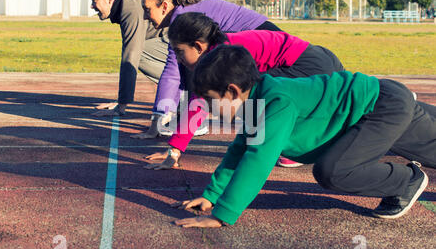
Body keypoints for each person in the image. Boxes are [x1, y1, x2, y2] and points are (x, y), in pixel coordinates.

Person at [173, 45, 435, 228]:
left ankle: (407, 181)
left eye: (210, 100)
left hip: (381, 106)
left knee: (334, 171)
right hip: (376, 105)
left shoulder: (275, 102)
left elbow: (258, 160)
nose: (207, 108)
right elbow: (240, 150)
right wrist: (212, 195)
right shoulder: (257, 100)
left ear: (231, 91)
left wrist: (223, 214)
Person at [144, 12, 344, 170]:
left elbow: (200, 103)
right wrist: (175, 149)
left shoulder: (221, 56)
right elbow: (200, 99)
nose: (178, 59)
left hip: (310, 65)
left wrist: (175, 151)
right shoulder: (218, 50)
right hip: (320, 58)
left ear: (198, 46)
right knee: (252, 97)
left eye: (179, 52)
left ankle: (296, 147)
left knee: (255, 96)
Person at [132, 0, 282, 139]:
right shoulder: (184, 13)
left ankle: (194, 123)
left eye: (147, 9)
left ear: (164, 6)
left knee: (197, 66)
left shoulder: (182, 20)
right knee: (191, 64)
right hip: (263, 39)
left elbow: (172, 73)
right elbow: (175, 74)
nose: (145, 17)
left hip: (269, 42)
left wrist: (157, 122)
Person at [87, 0, 169, 117]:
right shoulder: (126, 6)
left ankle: (182, 92)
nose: (92, 6)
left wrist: (121, 106)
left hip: (180, 44)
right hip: (172, 43)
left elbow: (131, 56)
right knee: (137, 52)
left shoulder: (130, 10)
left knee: (138, 53)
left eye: (94, 0)